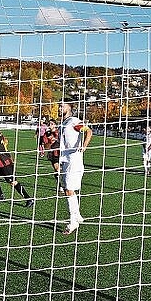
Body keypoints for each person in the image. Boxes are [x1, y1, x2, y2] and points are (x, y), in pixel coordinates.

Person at [58, 101, 92, 235]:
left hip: (74, 160)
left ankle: (73, 222)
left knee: (69, 190)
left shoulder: (73, 121)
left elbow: (88, 131)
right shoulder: (64, 123)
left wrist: (84, 146)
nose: (60, 108)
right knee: (68, 189)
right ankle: (77, 216)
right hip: (66, 159)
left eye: (63, 105)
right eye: (59, 106)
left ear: (70, 107)